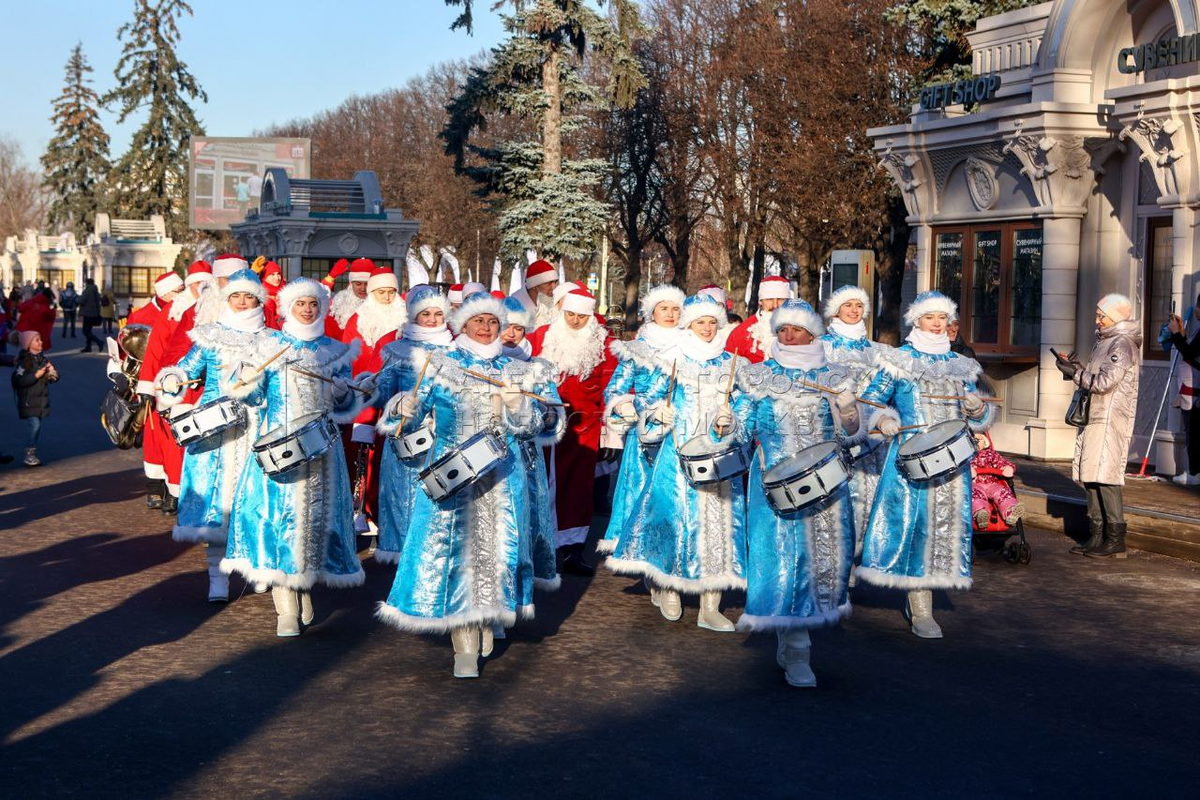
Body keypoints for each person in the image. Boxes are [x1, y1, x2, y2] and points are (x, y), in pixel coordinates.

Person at [375, 292, 563, 678]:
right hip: (453, 476)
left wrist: (519, 408)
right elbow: (407, 421)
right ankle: (463, 644)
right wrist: (402, 408)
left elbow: (541, 426)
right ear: (463, 325)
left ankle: (488, 616)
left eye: (492, 322)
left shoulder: (520, 370)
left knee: (499, 553)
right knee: (455, 556)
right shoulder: (439, 365)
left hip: (503, 479)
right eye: (478, 321)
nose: (486, 327)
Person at [223, 278, 371, 636]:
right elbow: (252, 396)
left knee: (316, 524)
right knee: (280, 520)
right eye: (300, 303)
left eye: (313, 303)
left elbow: (346, 406)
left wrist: (344, 394)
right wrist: (246, 378)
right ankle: (285, 605)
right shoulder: (269, 346)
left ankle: (302, 587)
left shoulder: (335, 351)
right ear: (288, 307)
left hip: (324, 451)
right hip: (281, 447)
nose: (307, 309)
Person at [731, 299, 861, 687]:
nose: (788, 336)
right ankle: (797, 648)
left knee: (823, 562)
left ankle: (793, 640)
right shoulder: (759, 376)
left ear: (812, 334)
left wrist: (850, 412)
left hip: (827, 484)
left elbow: (852, 435)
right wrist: (725, 424)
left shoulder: (836, 376)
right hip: (775, 483)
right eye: (782, 330)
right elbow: (740, 429)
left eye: (797, 330)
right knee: (785, 560)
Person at [856, 291, 994, 638]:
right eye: (930, 318)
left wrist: (978, 409)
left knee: (943, 528)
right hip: (911, 459)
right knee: (916, 527)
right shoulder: (897, 360)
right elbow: (868, 401)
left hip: (953, 462)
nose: (936, 324)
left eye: (942, 318)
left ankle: (926, 594)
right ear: (916, 321)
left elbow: (980, 417)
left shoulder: (961, 365)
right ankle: (920, 606)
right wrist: (883, 419)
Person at [608, 294, 747, 631]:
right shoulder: (671, 359)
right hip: (678, 453)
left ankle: (710, 605)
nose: (707, 328)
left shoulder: (732, 363)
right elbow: (647, 400)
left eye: (712, 322)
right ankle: (668, 586)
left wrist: (733, 420)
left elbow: (745, 406)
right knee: (674, 520)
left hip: (720, 457)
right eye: (700, 322)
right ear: (689, 324)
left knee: (720, 526)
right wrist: (658, 412)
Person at [155, 269, 269, 602]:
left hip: (256, 427)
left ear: (259, 300)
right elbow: (186, 369)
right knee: (217, 506)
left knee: (254, 504)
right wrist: (172, 379)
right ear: (226, 299)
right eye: (236, 296)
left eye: (249, 296)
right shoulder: (210, 336)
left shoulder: (273, 340)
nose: (242, 302)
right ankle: (217, 579)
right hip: (215, 431)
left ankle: (254, 567)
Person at [527, 286, 618, 576]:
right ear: (561, 311)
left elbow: (612, 388)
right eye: (570, 314)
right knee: (539, 487)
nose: (576, 321)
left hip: (585, 427)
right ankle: (536, 548)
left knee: (578, 490)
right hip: (543, 425)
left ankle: (573, 551)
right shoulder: (541, 336)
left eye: (582, 316)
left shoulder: (603, 343)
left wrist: (610, 432)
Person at [372, 285, 454, 564]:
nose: (432, 320)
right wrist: (397, 403)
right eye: (425, 314)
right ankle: (405, 562)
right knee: (404, 501)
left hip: (444, 439)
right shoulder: (396, 350)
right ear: (413, 315)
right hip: (407, 440)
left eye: (437, 314)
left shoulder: (457, 351)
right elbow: (381, 394)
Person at [1055, 293, 1141, 558]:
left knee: (1106, 476)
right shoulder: (1104, 342)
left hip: (1109, 418)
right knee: (1091, 474)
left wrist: (1075, 373)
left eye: (1101, 315)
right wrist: (1074, 366)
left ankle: (1115, 539)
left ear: (1114, 317)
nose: (1097, 319)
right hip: (1095, 416)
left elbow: (1104, 383)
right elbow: (1095, 376)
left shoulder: (1121, 344)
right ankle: (1096, 534)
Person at [599, 284, 683, 556]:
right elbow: (614, 390)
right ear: (651, 312)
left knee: (672, 497)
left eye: (675, 309)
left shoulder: (690, 347)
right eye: (663, 308)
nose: (670, 314)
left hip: (680, 433)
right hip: (645, 434)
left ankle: (668, 554)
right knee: (641, 492)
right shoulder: (636, 349)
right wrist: (630, 408)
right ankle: (636, 551)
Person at [821, 285, 889, 576]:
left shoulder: (878, 351)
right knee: (838, 498)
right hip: (833, 436)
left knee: (869, 497)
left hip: (870, 438)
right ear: (835, 310)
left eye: (858, 306)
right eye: (847, 305)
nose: (853, 311)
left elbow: (884, 391)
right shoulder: (821, 347)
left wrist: (876, 417)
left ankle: (857, 560)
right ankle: (837, 565)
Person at [341, 264, 407, 532]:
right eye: (381, 292)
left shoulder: (404, 321)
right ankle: (361, 507)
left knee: (385, 455)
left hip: (395, 398)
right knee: (361, 454)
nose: (388, 297)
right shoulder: (357, 321)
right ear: (371, 293)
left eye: (391, 292)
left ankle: (383, 507)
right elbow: (350, 359)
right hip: (364, 398)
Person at [11, 331, 59, 466]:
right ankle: (29, 454)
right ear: (28, 344)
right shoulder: (23, 362)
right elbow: (17, 381)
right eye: (37, 340)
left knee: (36, 426)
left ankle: (30, 453)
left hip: (39, 401)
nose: (41, 342)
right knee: (35, 425)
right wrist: (36, 376)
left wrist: (53, 373)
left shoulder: (42, 359)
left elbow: (53, 379)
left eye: (40, 339)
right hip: (28, 401)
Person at [1166, 297, 1200, 486]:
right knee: (1192, 430)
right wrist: (1181, 333)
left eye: (1198, 307)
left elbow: (1190, 353)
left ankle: (1195, 472)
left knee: (1193, 432)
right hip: (1192, 386)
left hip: (1195, 388)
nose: (1195, 310)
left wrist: (1175, 334)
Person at [724, 276, 792, 363]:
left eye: (781, 299)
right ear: (760, 301)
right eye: (769, 299)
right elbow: (729, 366)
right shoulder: (741, 333)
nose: (775, 305)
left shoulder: (802, 330)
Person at [323, 258, 372, 340]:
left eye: (367, 284)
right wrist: (329, 278)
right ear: (351, 284)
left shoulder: (379, 303)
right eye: (358, 284)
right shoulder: (338, 304)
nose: (363, 288)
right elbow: (317, 300)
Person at [511, 259, 560, 329]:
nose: (554, 287)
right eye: (549, 283)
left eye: (555, 282)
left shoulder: (555, 304)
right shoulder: (513, 308)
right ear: (534, 286)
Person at [77, 279, 103, 352]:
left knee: (85, 331)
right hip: (94, 313)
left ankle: (99, 342)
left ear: (87, 283)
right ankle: (88, 347)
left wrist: (77, 299)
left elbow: (81, 301)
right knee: (88, 331)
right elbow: (99, 300)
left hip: (88, 313)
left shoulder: (88, 290)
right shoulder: (95, 290)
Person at [259, 260, 286, 329]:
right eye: (272, 274)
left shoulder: (286, 291)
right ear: (264, 276)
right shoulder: (260, 294)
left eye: (278, 274)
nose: (277, 278)